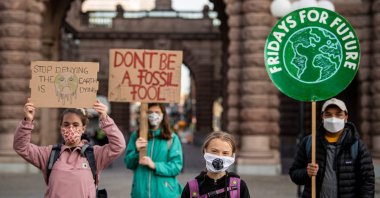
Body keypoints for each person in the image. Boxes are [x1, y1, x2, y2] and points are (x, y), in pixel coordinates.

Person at [13, 99, 126, 198]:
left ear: (83, 128)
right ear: (61, 127)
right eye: (66, 124)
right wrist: (28, 121)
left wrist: (105, 119)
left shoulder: (95, 154)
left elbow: (118, 146)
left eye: (76, 125)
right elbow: (21, 147)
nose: (71, 128)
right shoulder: (49, 154)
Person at [289, 98, 375, 198]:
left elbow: (368, 182)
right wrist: (306, 173)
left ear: (346, 116)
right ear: (322, 116)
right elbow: (294, 173)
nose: (333, 119)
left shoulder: (356, 145)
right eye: (328, 114)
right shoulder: (309, 142)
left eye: (338, 114)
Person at [124, 103, 183, 197]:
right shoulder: (136, 136)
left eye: (157, 112)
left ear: (163, 115)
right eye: (150, 112)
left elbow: (176, 167)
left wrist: (155, 165)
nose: (153, 115)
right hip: (141, 192)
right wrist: (137, 152)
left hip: (164, 193)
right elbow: (128, 163)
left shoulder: (171, 138)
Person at [181, 131, 250, 198]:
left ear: (232, 156)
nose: (219, 156)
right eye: (214, 151)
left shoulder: (240, 187)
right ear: (205, 151)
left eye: (225, 153)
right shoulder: (191, 188)